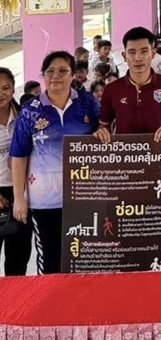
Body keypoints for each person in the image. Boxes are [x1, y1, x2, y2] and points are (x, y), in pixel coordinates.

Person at [11, 52, 100, 274]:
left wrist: (103, 131)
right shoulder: (30, 110)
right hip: (44, 200)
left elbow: (105, 128)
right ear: (43, 75)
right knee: (50, 260)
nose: (55, 76)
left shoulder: (87, 103)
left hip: (83, 196)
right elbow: (19, 156)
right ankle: (50, 298)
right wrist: (19, 198)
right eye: (50, 71)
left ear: (74, 75)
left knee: (82, 258)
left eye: (62, 71)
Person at [94, 26, 161, 143]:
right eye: (132, 52)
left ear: (153, 54)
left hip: (160, 151)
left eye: (144, 51)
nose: (138, 58)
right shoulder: (111, 89)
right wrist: (102, 132)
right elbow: (104, 125)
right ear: (124, 56)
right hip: (124, 152)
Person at [0, 67, 31, 275]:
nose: (1, 93)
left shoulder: (25, 117)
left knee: (18, 260)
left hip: (22, 194)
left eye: (6, 88)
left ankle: (14, 297)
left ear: (13, 89)